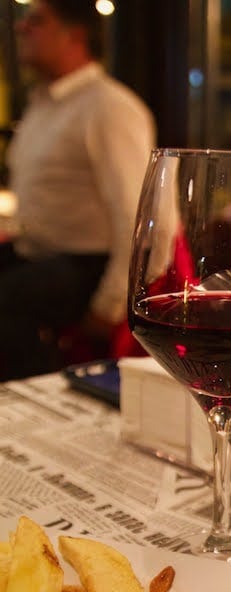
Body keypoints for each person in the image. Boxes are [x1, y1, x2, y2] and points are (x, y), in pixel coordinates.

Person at [0, 0, 156, 379]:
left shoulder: (109, 108)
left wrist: (111, 304)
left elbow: (143, 219)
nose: (21, 29)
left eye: (35, 21)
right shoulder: (44, 104)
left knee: (5, 304)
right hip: (38, 253)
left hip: (87, 264)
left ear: (74, 35)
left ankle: (31, 411)